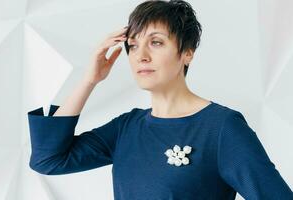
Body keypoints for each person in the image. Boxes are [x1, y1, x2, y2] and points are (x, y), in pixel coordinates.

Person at [27, 0, 293, 199]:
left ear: (187, 53)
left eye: (156, 42)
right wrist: (89, 80)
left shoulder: (221, 128)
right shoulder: (127, 128)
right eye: (133, 45)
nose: (141, 55)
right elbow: (48, 159)